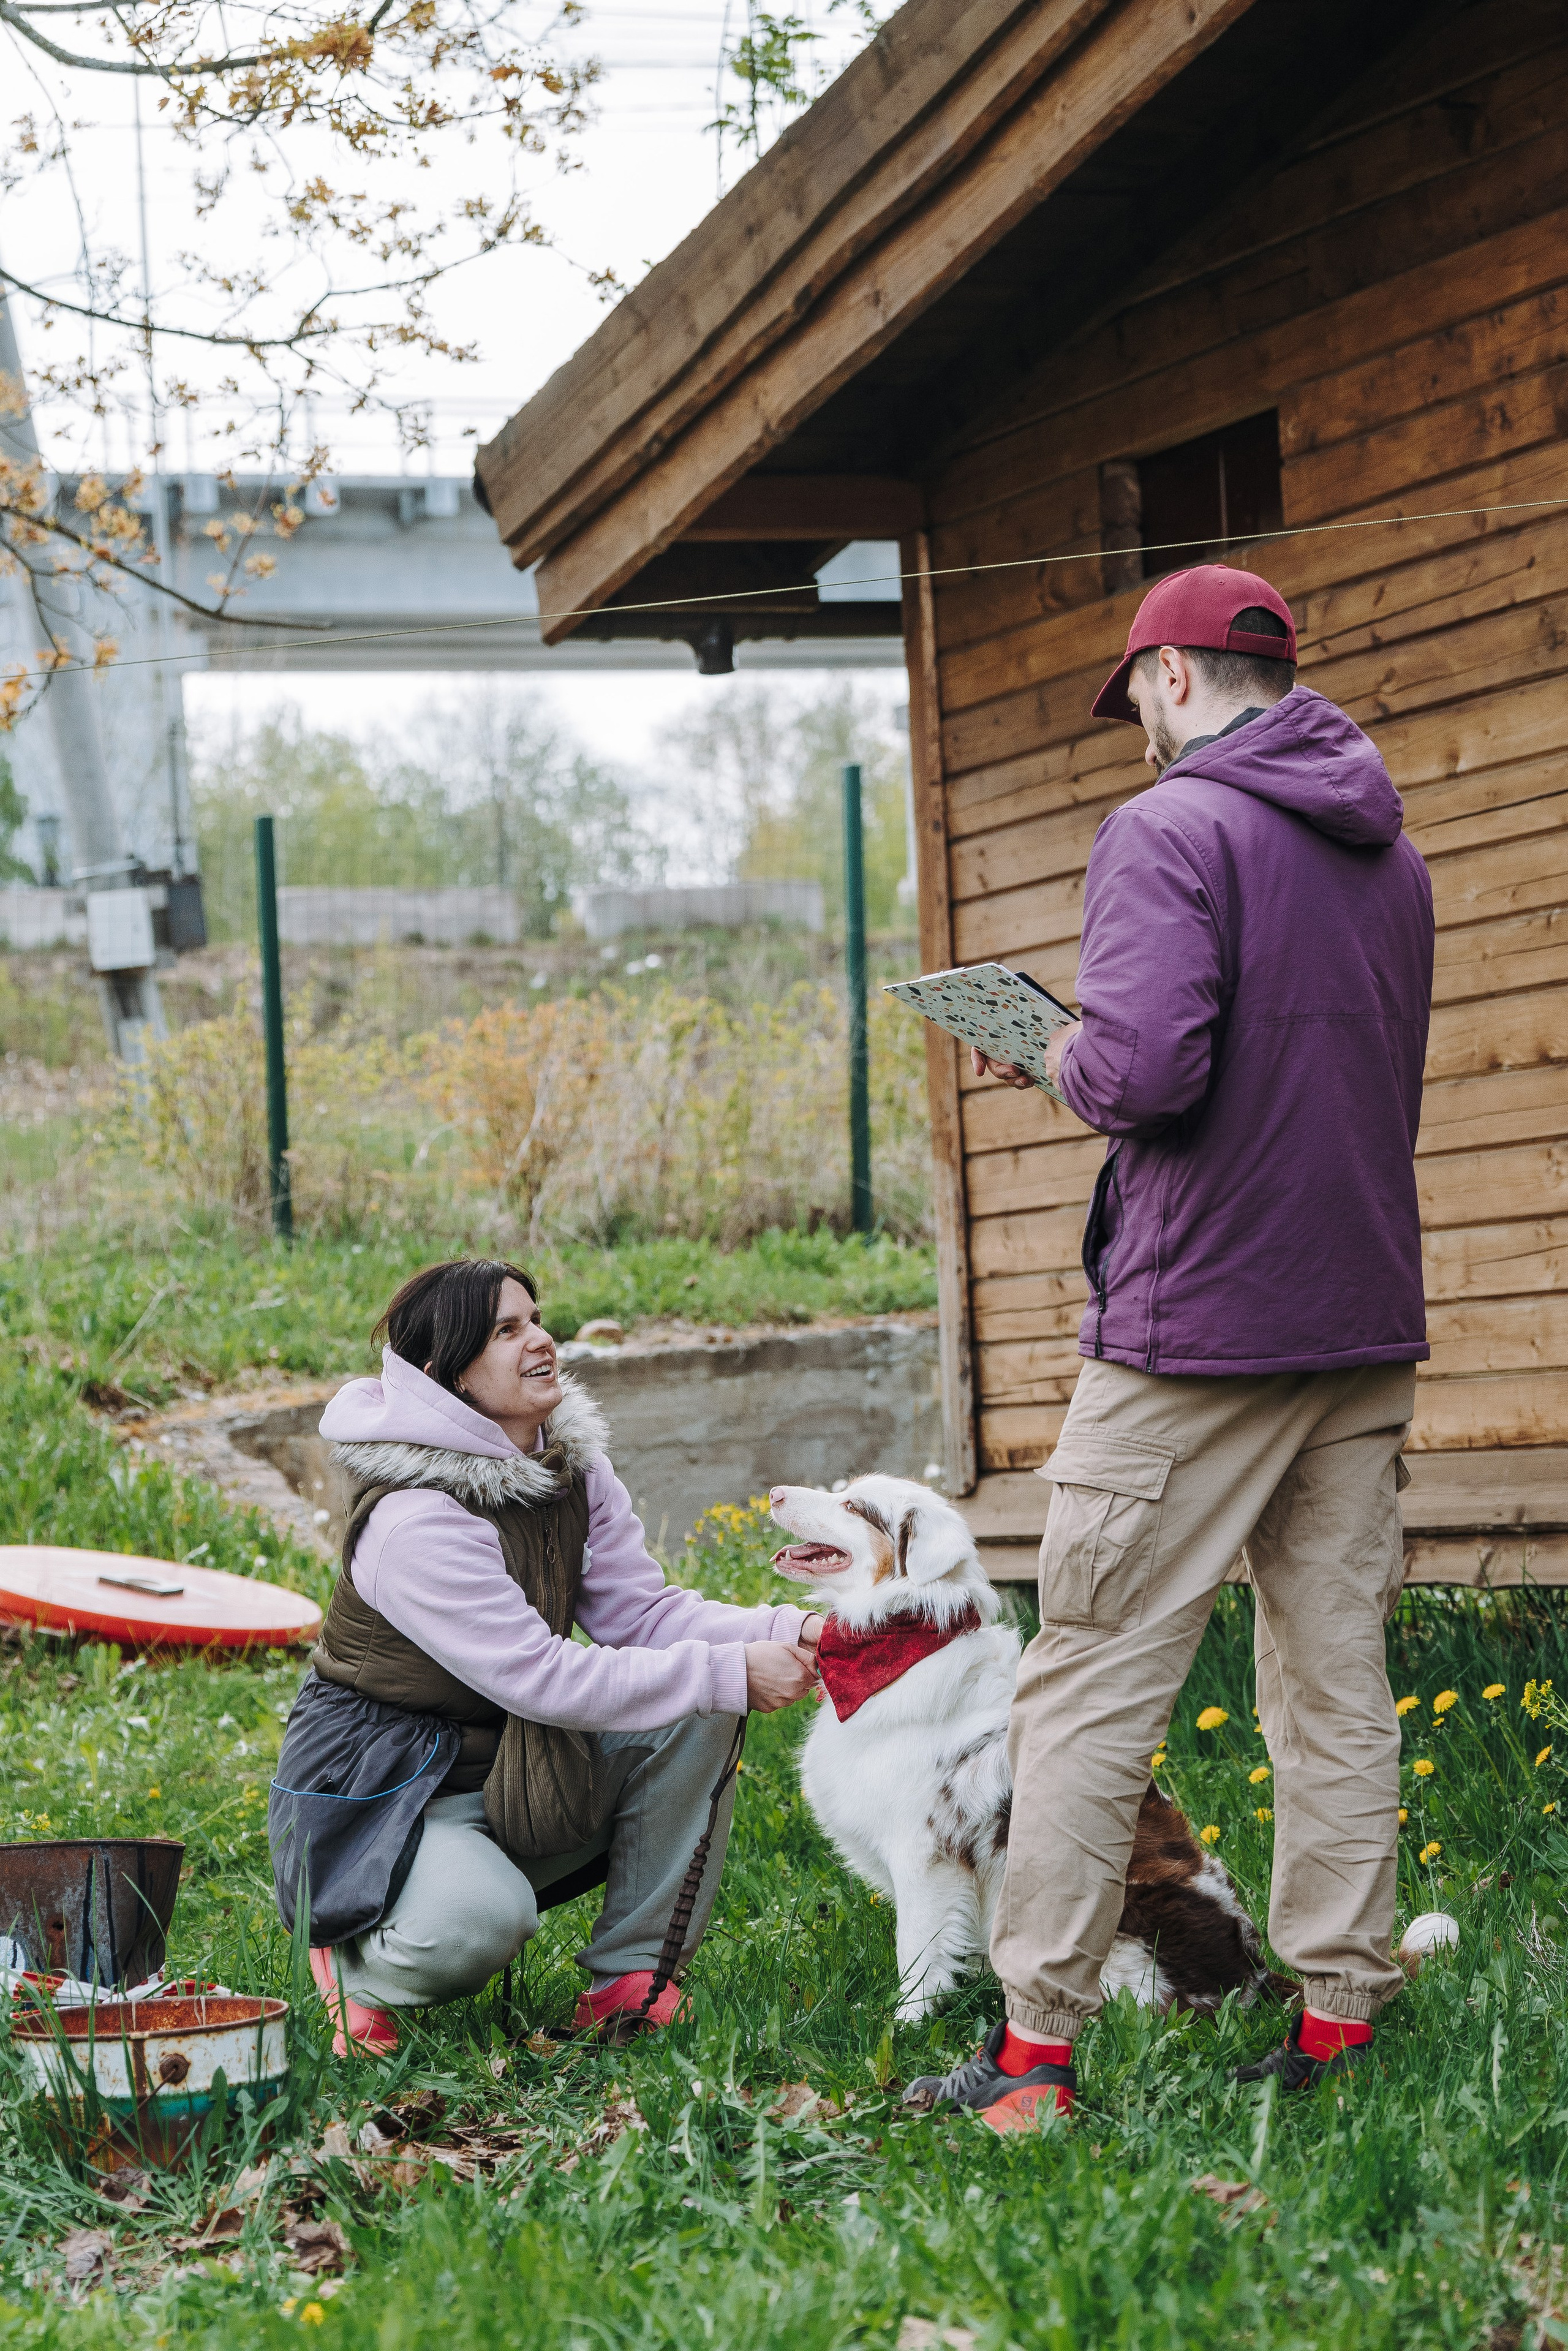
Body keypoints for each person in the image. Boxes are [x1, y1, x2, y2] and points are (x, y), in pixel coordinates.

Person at [909, 564, 1434, 2131]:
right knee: (1333, 1684)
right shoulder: (1388, 852)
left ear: (1177, 679)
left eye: (1132, 693)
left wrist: (1050, 1046)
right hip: (1353, 1317)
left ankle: (1033, 2060)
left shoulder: (1164, 829)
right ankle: (1339, 2016)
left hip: (1194, 1326)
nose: (1133, 724)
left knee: (1082, 1685)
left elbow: (1139, 1072)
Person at [268, 1258, 821, 2053]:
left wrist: (782, 1628)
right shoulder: (413, 1520)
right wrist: (729, 1668)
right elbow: (539, 1673)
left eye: (535, 1318)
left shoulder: (566, 1467)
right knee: (482, 1922)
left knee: (700, 1708)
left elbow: (642, 1611)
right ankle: (355, 1957)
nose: (542, 1340)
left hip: (510, 1752)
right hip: (386, 1787)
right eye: (506, 1330)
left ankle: (630, 1980)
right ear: (443, 1375)